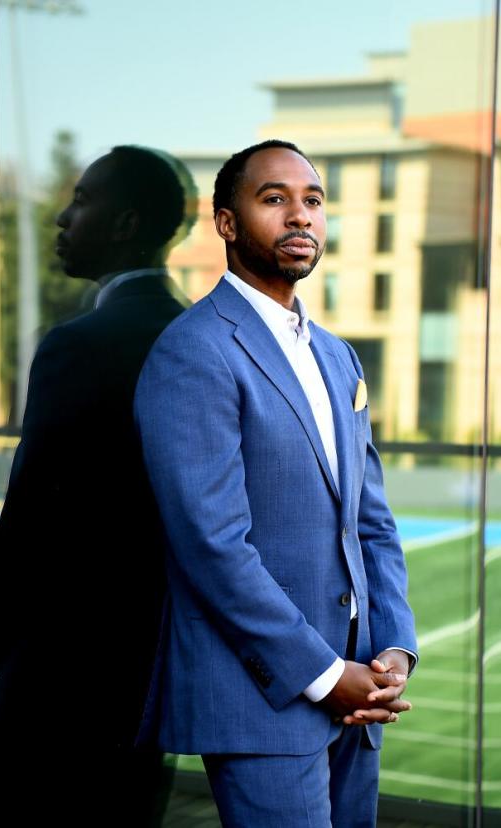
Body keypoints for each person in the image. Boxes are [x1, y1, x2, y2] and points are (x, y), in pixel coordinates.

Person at [134, 140, 418, 827]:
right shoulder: (194, 350)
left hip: (360, 688)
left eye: (313, 201)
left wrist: (394, 647)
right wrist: (322, 675)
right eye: (275, 199)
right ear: (226, 224)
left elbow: (369, 520)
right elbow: (212, 547)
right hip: (264, 696)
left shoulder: (335, 354)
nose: (301, 216)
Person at [0, 145, 194, 825]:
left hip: (59, 661)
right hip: (153, 661)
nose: (62, 218)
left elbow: (33, 504)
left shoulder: (82, 342)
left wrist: (2, 624)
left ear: (126, 223)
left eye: (82, 200)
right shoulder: (206, 336)